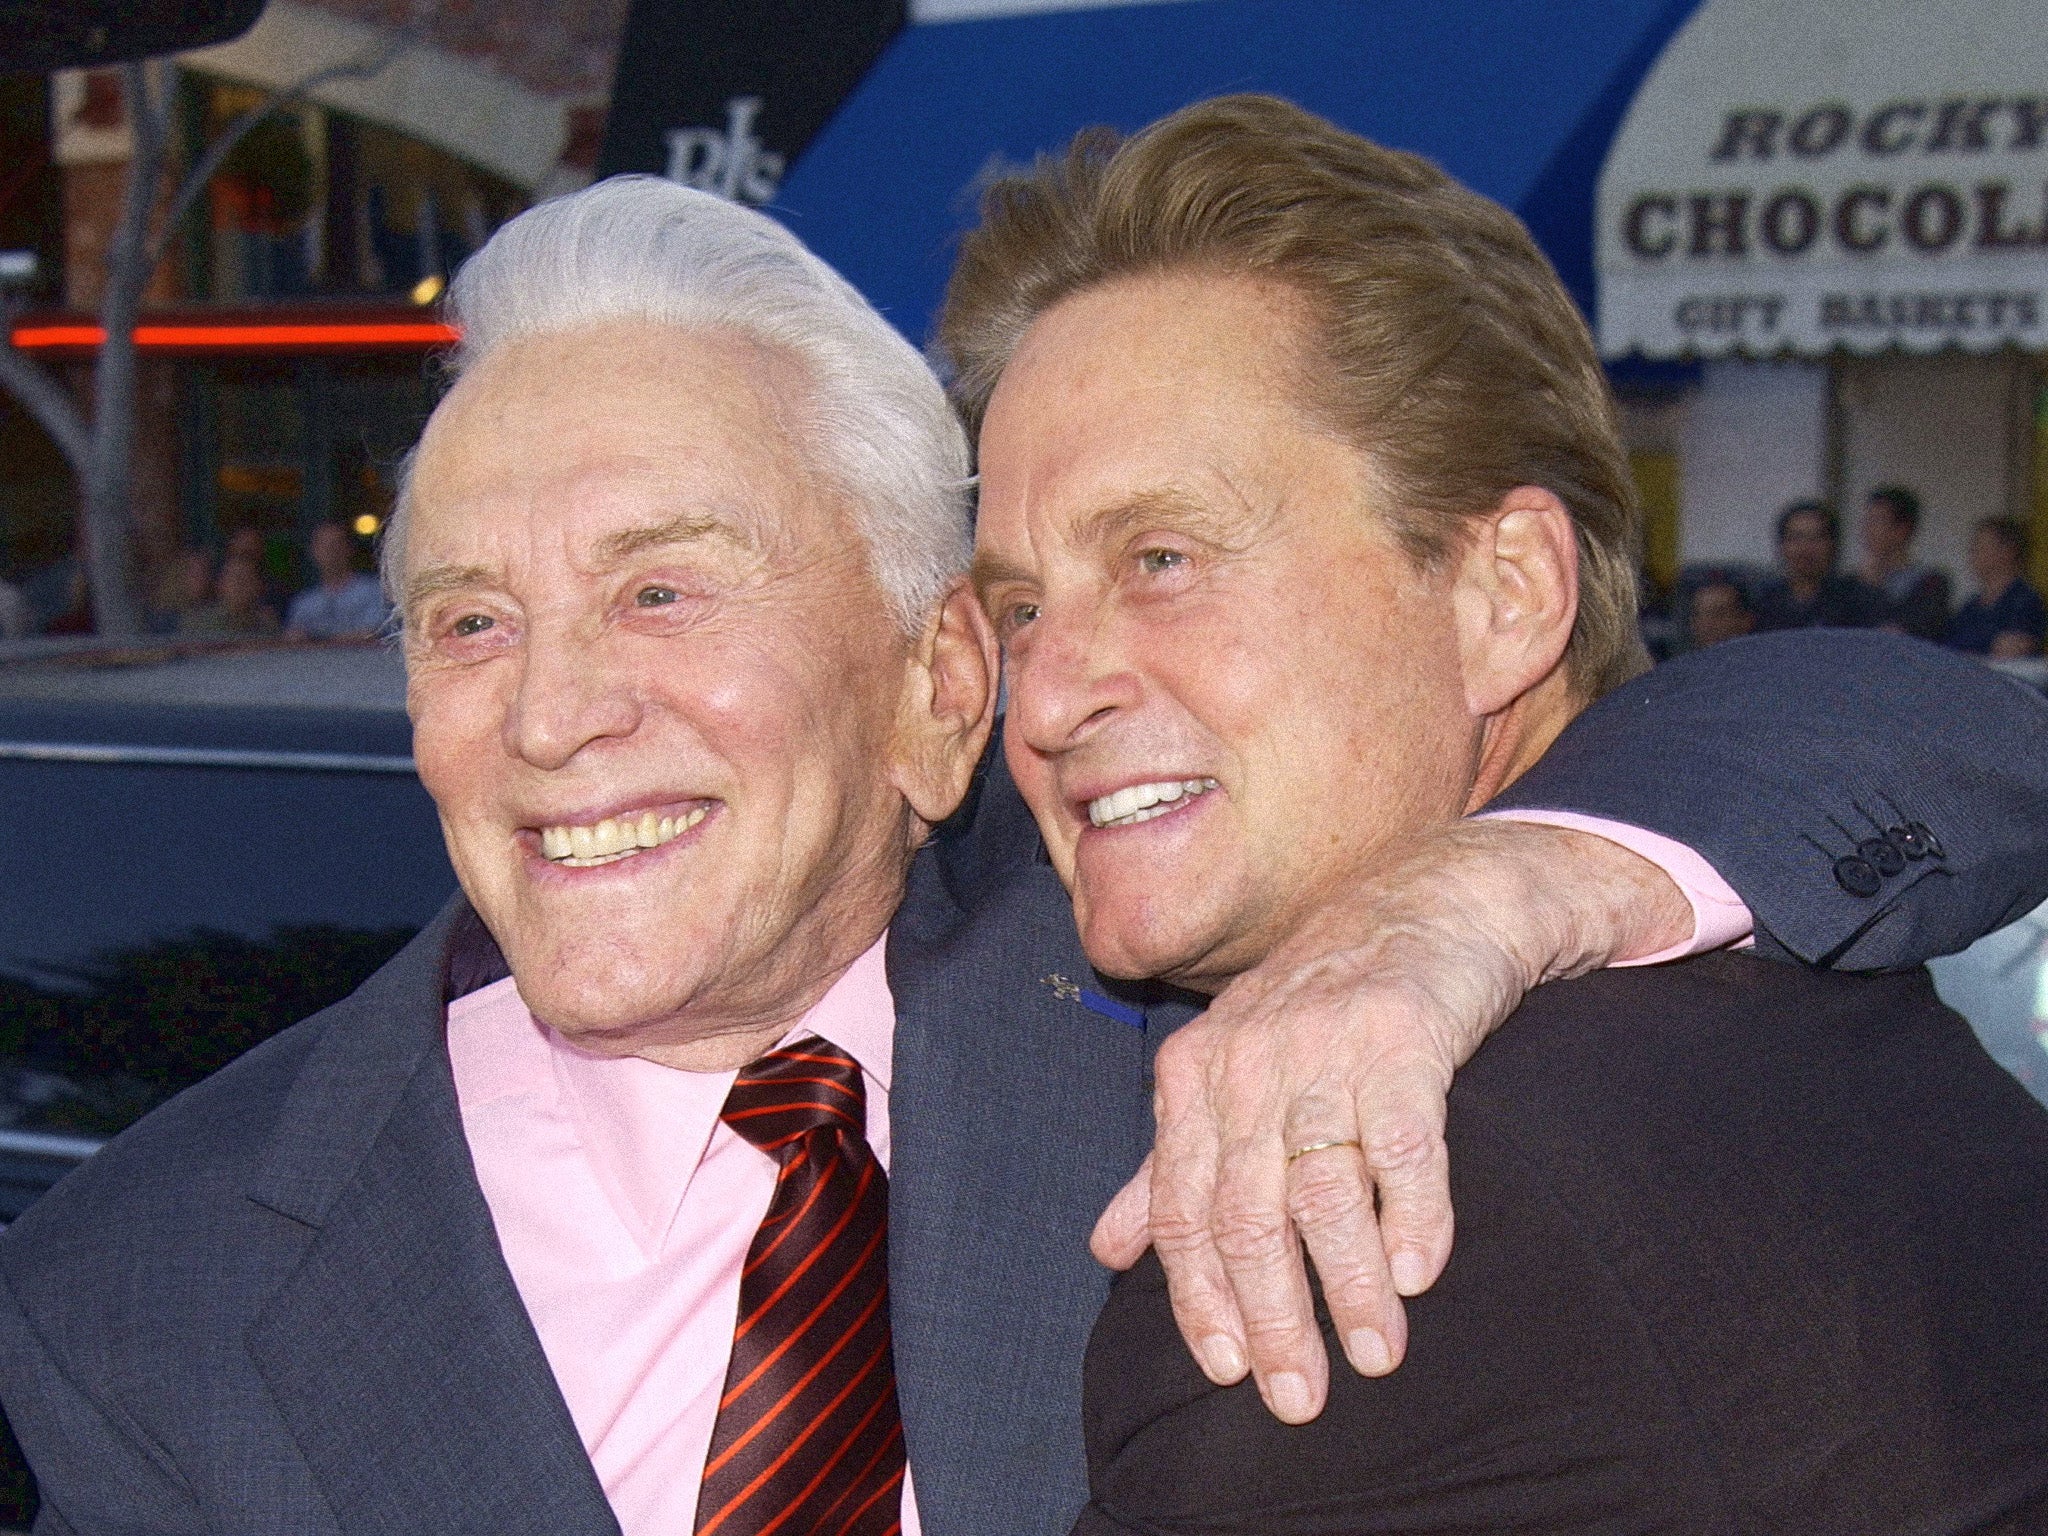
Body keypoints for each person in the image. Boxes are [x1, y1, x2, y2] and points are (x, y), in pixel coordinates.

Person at [3, 180, 2048, 1536]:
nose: (549, 716)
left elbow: (1907, 732)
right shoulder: (131, 1302)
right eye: (465, 622)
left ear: (930, 688)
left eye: (661, 594)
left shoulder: (1207, 971)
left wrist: (1490, 889)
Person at [937, 95, 2048, 1531]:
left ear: (1505, 593)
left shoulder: (1362, 1249)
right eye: (1020, 606)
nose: (1045, 696)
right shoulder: (1826, 1014)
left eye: (1160, 557)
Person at [1751, 499, 1886, 631]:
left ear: (1832, 545)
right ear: (1782, 545)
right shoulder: (1761, 601)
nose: (1805, 548)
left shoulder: (1858, 599)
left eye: (1816, 538)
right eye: (1797, 537)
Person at [1945, 516, 2047, 658]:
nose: (1973, 553)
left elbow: (2012, 650)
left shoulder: (2026, 601)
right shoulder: (1969, 607)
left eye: (1981, 547)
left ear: (2008, 551)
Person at [1859, 484, 1951, 640]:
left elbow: (1916, 630)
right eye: (1867, 521)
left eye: (1877, 522)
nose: (1868, 530)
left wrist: (1874, 589)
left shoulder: (1931, 583)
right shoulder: (1853, 583)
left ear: (1902, 529)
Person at [284, 520, 389, 640]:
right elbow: (293, 638)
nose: (330, 552)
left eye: (336, 545)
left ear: (349, 549)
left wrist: (315, 639)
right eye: (323, 546)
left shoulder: (373, 592)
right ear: (313, 552)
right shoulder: (305, 602)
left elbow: (371, 633)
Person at [181, 555, 281, 637]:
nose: (239, 585)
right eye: (233, 578)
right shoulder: (198, 621)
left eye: (246, 579)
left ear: (258, 586)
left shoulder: (267, 621)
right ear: (221, 585)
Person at [1686, 572, 1753, 647]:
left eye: (1718, 614)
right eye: (1699, 615)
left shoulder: (1763, 656)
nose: (1706, 625)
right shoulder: (1683, 658)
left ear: (1745, 621)